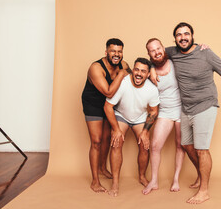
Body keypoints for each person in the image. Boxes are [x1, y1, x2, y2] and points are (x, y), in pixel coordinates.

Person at [152, 22, 221, 204]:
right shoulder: (173, 52)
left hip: (206, 105)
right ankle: (202, 175)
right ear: (175, 38)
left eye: (186, 34)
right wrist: (151, 67)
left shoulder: (205, 53)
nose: (183, 37)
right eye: (179, 35)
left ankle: (204, 190)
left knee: (201, 149)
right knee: (186, 145)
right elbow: (155, 54)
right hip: (186, 108)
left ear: (192, 36)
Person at [142, 38, 199, 195]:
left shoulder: (175, 60)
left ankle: (175, 179)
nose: (157, 52)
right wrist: (151, 68)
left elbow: (188, 47)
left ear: (163, 47)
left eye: (158, 48)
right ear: (149, 54)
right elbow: (136, 74)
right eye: (152, 50)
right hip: (165, 112)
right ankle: (154, 181)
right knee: (155, 146)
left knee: (180, 145)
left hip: (182, 110)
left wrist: (202, 46)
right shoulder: (148, 70)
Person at [104, 58, 160, 197]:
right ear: (133, 70)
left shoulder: (152, 89)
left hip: (140, 118)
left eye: (143, 71)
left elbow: (153, 111)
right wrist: (116, 129)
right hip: (121, 115)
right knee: (116, 143)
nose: (138, 73)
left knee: (144, 145)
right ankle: (115, 182)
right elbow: (108, 106)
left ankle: (141, 176)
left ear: (148, 74)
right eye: (136, 69)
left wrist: (146, 131)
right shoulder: (123, 83)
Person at [81, 38, 131, 193]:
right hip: (94, 104)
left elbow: (134, 77)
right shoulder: (96, 68)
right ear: (106, 52)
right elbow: (108, 91)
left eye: (119, 51)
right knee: (96, 141)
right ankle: (95, 181)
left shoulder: (124, 65)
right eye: (113, 51)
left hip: (109, 105)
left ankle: (102, 168)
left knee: (108, 138)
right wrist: (122, 73)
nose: (116, 54)